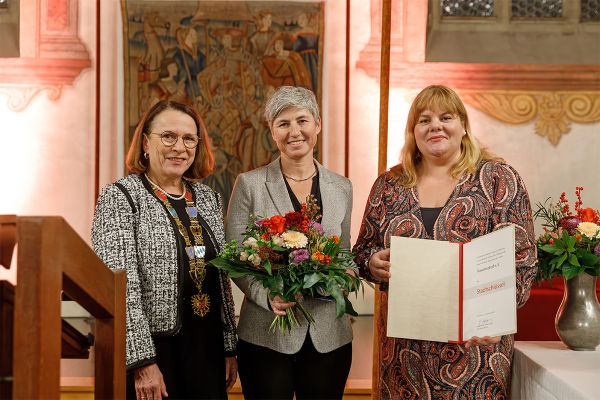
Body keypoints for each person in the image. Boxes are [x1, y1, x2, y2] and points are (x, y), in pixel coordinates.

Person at [353, 85, 537, 399]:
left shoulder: (497, 178)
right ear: (413, 132)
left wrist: (499, 314)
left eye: (445, 117)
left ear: (463, 126)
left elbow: (522, 257)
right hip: (403, 355)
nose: (435, 126)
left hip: (476, 350)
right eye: (424, 120)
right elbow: (362, 252)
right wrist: (372, 263)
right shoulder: (389, 184)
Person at [92, 100, 237, 400]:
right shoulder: (121, 198)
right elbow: (121, 288)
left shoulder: (209, 199)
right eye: (168, 136)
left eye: (189, 139)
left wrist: (229, 346)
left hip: (207, 352)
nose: (179, 147)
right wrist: (142, 362)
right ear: (146, 142)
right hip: (156, 355)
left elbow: (221, 281)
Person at [226, 86, 353, 400]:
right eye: (283, 124)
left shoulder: (342, 187)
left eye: (302, 121)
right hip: (266, 335)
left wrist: (346, 279)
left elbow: (346, 252)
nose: (294, 131)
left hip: (330, 337)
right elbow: (235, 258)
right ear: (272, 132)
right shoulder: (249, 184)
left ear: (317, 125)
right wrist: (266, 295)